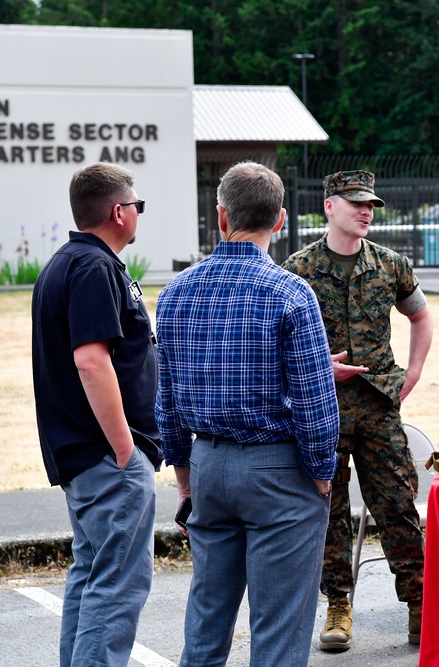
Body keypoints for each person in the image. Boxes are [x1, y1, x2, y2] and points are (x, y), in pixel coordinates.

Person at [155, 161, 339, 667]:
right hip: (279, 470)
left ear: (221, 217)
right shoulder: (291, 293)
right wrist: (321, 475)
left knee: (207, 617)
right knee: (279, 629)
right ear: (280, 221)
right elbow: (314, 400)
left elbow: (166, 401)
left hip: (208, 463)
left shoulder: (175, 293)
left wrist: (186, 480)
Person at [283, 170, 433, 649]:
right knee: (328, 511)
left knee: (397, 506)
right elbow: (278, 340)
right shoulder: (298, 269)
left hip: (378, 407)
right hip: (322, 409)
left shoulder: (390, 265)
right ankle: (339, 606)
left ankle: (420, 604)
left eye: (371, 204)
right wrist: (315, 369)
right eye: (356, 203)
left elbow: (422, 316)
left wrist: (410, 375)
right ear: (330, 206)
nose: (366, 211)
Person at [32, 162, 161, 667]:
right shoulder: (93, 267)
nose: (138, 214)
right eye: (137, 205)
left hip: (88, 458)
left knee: (91, 577)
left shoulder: (67, 263)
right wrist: (126, 450)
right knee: (117, 588)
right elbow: (91, 360)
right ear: (118, 211)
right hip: (108, 459)